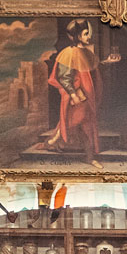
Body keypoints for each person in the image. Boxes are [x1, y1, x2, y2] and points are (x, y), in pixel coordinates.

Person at [45, 19, 103, 160]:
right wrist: (73, 94)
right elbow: (64, 77)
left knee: (78, 120)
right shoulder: (68, 53)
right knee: (77, 119)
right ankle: (58, 142)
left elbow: (91, 71)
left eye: (88, 33)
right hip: (77, 93)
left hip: (88, 94)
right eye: (85, 34)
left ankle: (54, 142)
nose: (88, 36)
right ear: (77, 36)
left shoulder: (88, 53)